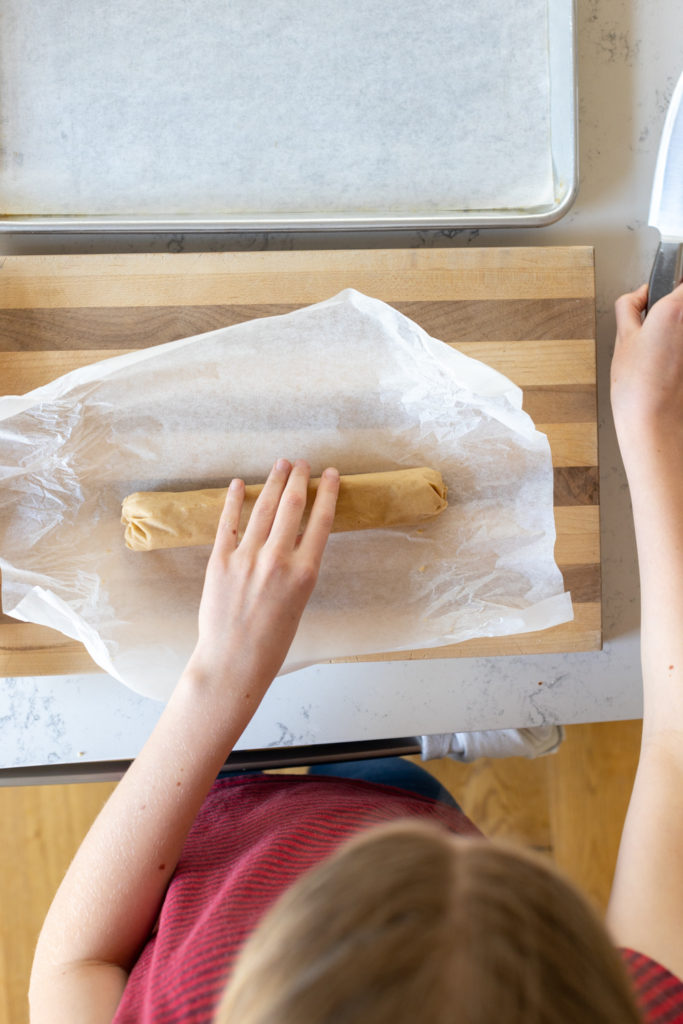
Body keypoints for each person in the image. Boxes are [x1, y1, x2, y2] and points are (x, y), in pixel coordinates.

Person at [28, 281, 683, 1024]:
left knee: (366, 770)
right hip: (394, 807)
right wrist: (648, 422)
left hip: (212, 841)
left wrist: (221, 674)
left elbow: (74, 964)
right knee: (387, 781)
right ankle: (392, 796)